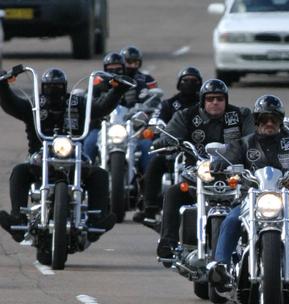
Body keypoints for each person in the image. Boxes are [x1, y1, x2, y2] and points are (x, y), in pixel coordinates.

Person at [207, 95, 289, 298]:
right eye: (264, 119)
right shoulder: (243, 144)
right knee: (231, 220)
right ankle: (221, 267)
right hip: (248, 201)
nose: (269, 123)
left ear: (280, 121)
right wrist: (220, 163)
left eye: (274, 119)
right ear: (257, 121)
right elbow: (229, 157)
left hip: (287, 202)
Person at [0, 67, 131, 243]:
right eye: (50, 86)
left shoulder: (77, 103)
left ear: (65, 87)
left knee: (99, 174)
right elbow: (13, 105)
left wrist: (118, 90)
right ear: (42, 86)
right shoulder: (35, 105)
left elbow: (101, 107)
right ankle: (18, 218)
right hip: (40, 158)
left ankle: (96, 220)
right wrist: (3, 87)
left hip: (75, 156)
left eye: (58, 86)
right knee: (19, 171)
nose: (54, 90)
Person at [153, 79, 254, 251]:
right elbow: (170, 134)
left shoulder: (241, 115)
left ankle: (256, 245)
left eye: (220, 99)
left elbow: (252, 138)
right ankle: (168, 244)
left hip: (234, 176)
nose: (215, 102)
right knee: (173, 193)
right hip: (197, 174)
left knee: (258, 200)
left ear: (226, 100)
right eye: (210, 98)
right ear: (202, 100)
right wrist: (164, 141)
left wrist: (237, 152)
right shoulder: (186, 115)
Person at [132, 66, 203, 224]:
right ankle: (149, 208)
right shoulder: (168, 104)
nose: (190, 83)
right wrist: (158, 131)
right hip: (174, 150)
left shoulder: (205, 105)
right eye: (186, 80)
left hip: (199, 154)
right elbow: (158, 120)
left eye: (194, 81)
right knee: (154, 163)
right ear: (179, 83)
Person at [83, 52, 153, 174]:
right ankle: (83, 178)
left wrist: (144, 108)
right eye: (110, 69)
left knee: (147, 146)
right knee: (89, 142)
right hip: (101, 127)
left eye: (118, 69)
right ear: (105, 70)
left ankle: (148, 186)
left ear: (124, 68)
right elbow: (87, 101)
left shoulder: (135, 84)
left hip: (132, 129)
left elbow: (147, 100)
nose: (114, 71)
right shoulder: (98, 85)